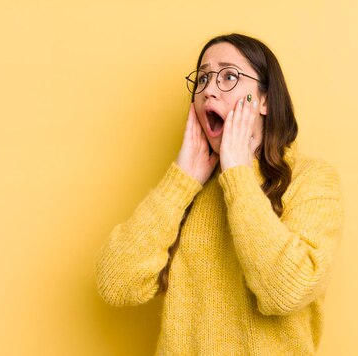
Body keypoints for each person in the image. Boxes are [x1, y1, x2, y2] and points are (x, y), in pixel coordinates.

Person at [96, 33, 344, 355]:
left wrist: (238, 175)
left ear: (266, 101)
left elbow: (287, 290)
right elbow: (117, 283)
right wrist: (182, 180)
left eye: (229, 76)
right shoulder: (191, 188)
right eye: (202, 79)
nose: (209, 90)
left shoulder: (313, 180)